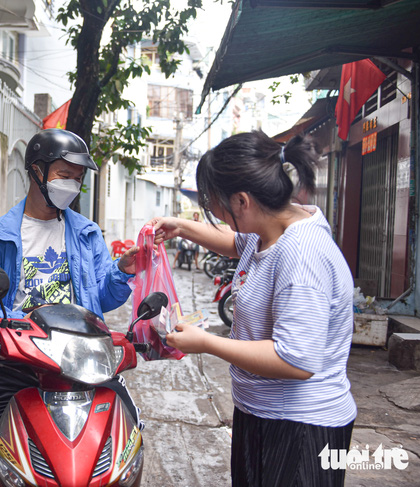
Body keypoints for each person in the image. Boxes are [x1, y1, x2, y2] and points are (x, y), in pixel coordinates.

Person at [149, 131, 356, 486]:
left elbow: (294, 360)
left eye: (216, 206)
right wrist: (181, 227)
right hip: (261, 414)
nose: (216, 215)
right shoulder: (272, 228)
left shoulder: (301, 256)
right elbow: (234, 242)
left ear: (242, 201)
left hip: (301, 427)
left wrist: (207, 342)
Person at [0, 128, 140, 487]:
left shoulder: (87, 233)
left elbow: (101, 299)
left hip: (78, 361)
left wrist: (122, 271)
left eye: (78, 179)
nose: (72, 185)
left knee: (129, 431)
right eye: (64, 176)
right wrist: (20, 329)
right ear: (36, 171)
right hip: (16, 363)